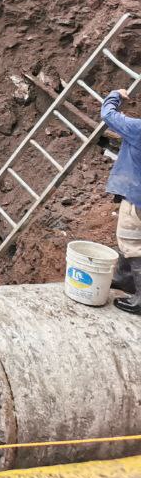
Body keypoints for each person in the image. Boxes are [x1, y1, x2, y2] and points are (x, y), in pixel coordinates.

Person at [102, 89, 141, 314]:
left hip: (136, 196)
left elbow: (108, 114)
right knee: (132, 239)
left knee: (132, 245)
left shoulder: (137, 128)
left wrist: (115, 94)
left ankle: (140, 300)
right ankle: (124, 279)